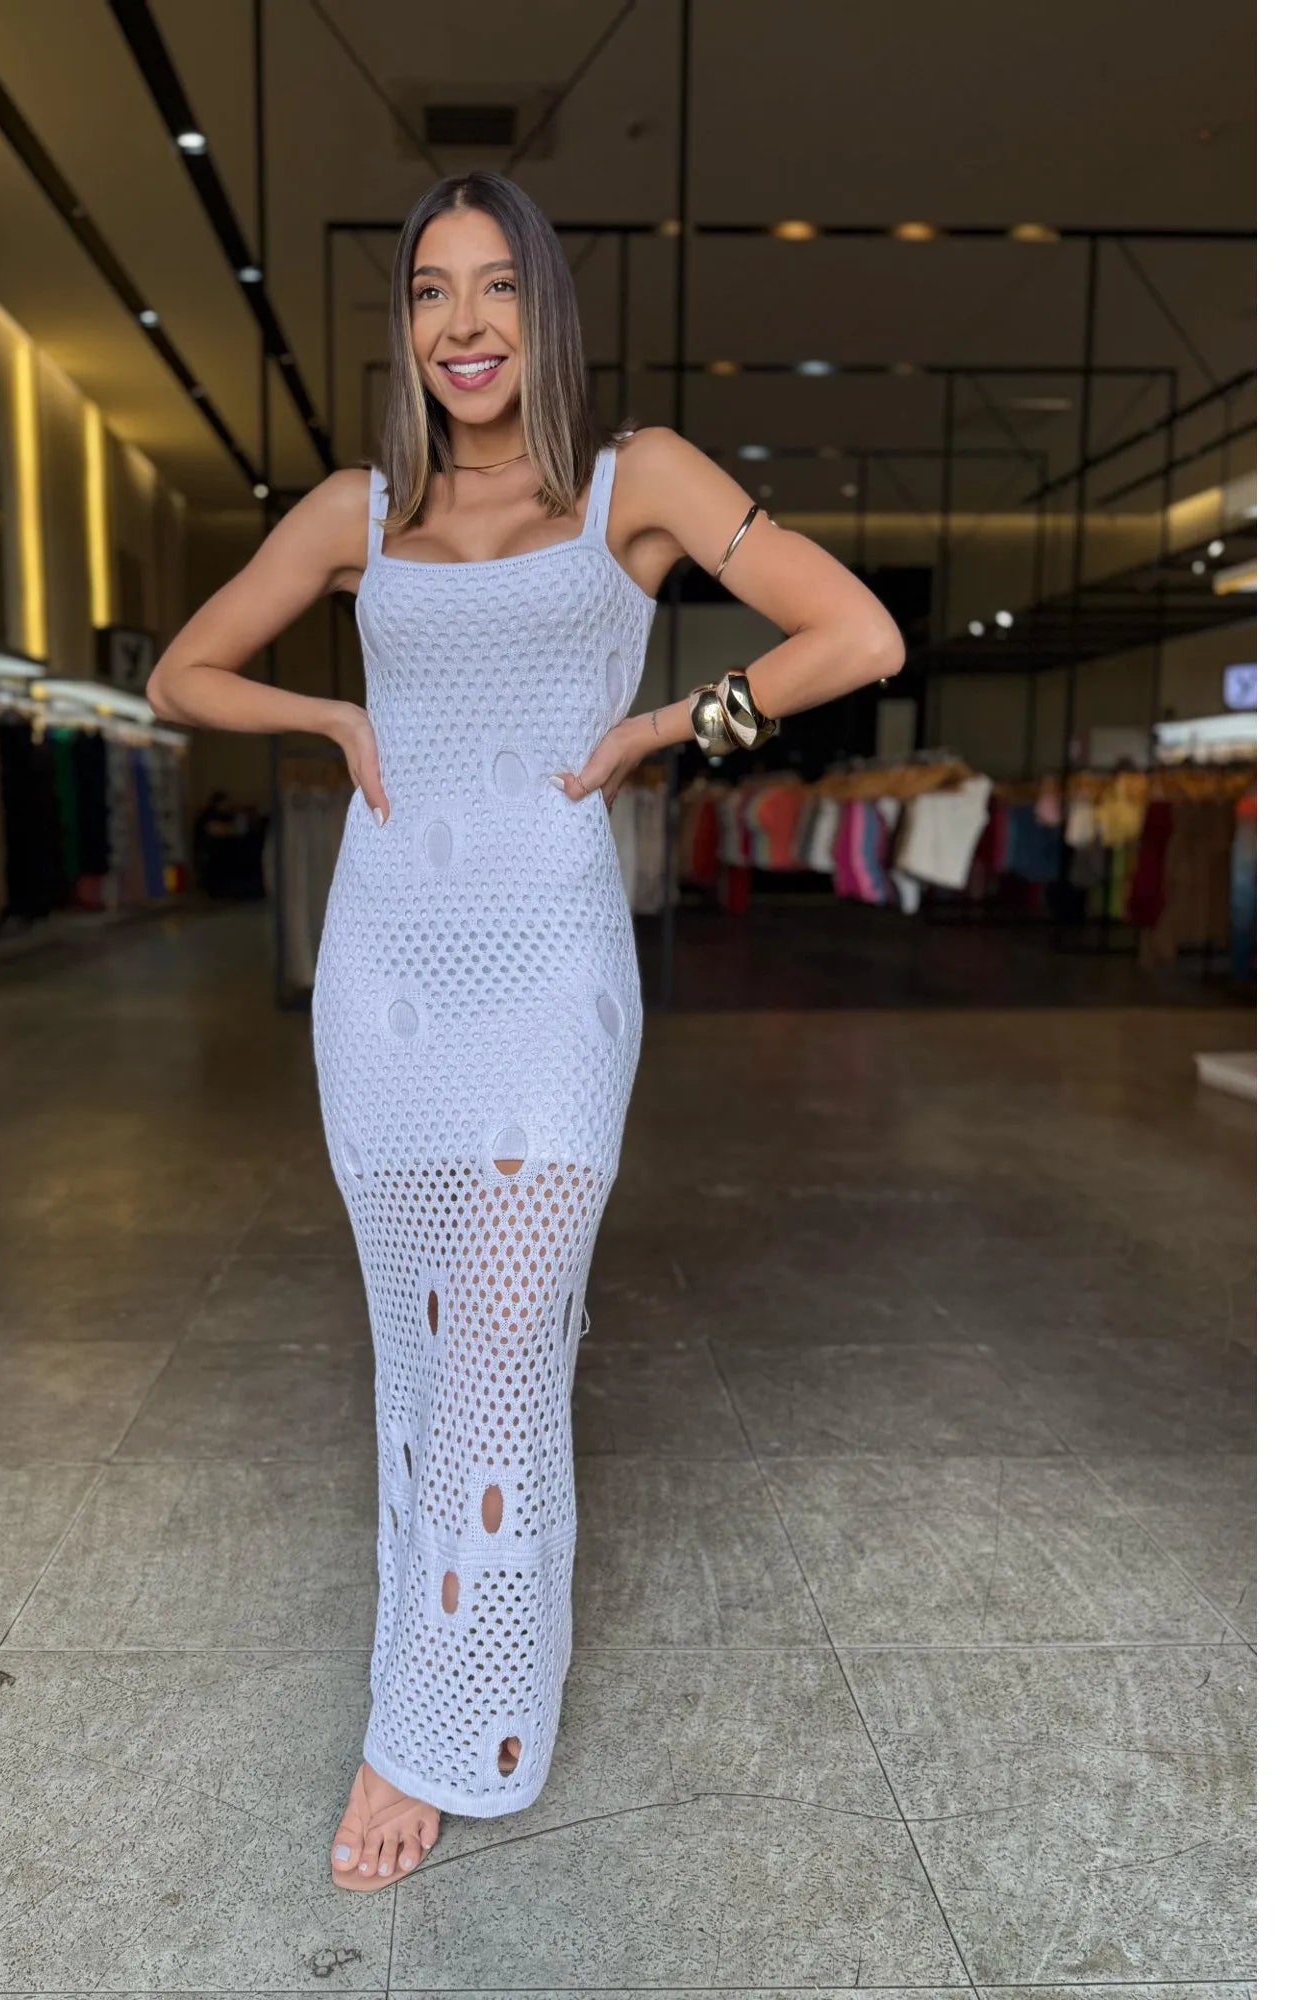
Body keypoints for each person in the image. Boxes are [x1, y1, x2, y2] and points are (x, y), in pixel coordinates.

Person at [145, 170, 903, 1891]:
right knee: (435, 1342)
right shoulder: (357, 511)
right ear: (404, 323)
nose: (464, 323)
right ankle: (452, 1662)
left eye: (495, 287)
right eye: (431, 291)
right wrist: (333, 712)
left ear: (542, 309)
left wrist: (668, 727)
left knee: (501, 1311)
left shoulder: (640, 483)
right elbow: (181, 674)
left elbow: (856, 633)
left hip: (551, 968)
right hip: (391, 970)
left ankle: (425, 1720)